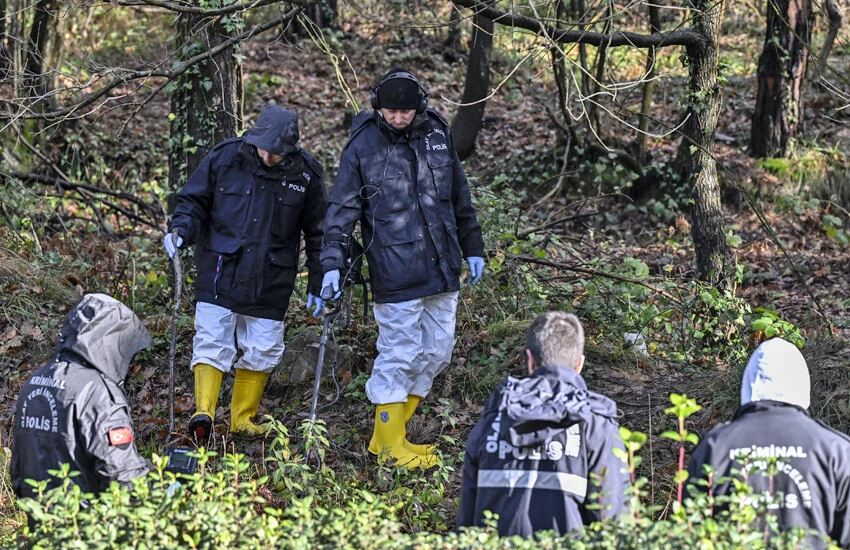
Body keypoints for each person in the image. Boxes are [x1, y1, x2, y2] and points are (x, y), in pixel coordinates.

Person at [320, 68, 485, 469]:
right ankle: (392, 448)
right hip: (394, 269)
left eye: (405, 111)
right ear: (379, 106)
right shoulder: (362, 145)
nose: (398, 118)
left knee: (437, 350)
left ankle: (389, 438)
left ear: (419, 107)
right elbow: (342, 211)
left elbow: (459, 196)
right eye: (391, 111)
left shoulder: (437, 135)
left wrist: (474, 247)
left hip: (443, 265)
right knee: (400, 352)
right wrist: (331, 264)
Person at [165, 105, 327, 444]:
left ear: (292, 148)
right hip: (220, 269)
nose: (268, 156)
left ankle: (242, 419)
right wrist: (181, 230)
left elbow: (317, 233)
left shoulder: (307, 174)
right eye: (264, 148)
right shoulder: (226, 157)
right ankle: (204, 413)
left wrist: (318, 280)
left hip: (271, 278)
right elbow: (194, 201)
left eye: (277, 152)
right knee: (211, 339)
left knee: (265, 347)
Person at [457, 312, 630, 537]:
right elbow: (614, 523)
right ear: (579, 364)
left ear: (529, 360)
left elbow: (466, 522)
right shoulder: (595, 423)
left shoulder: (494, 417)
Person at [687, 338, 850, 548]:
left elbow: (690, 532)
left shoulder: (715, 446)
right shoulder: (837, 450)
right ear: (802, 386)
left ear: (747, 385)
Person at [11, 293, 153, 503]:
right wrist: (163, 485)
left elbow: (18, 472)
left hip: (42, 525)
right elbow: (124, 479)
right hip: (88, 529)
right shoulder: (97, 392)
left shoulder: (35, 381)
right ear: (110, 339)